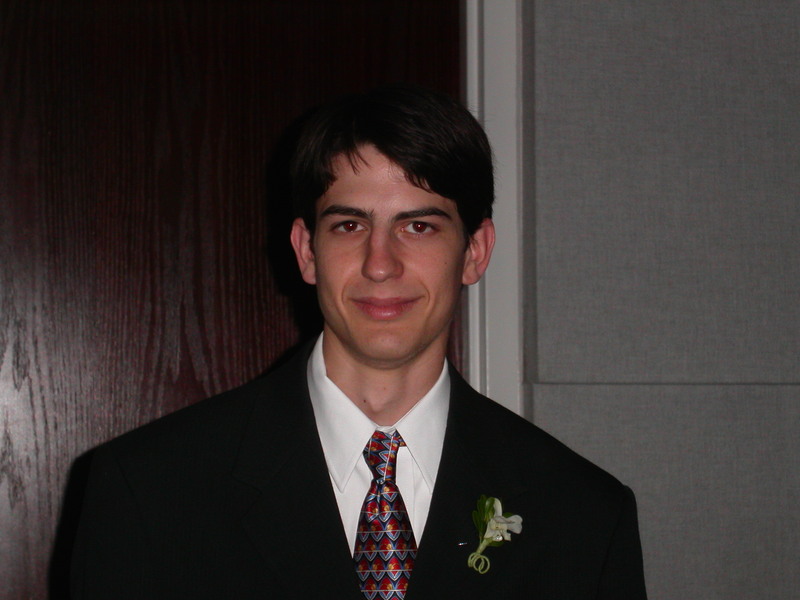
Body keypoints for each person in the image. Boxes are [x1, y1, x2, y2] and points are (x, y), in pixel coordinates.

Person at [71, 85, 647, 599]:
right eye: (350, 225)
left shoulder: (583, 515)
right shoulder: (148, 490)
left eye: (418, 226)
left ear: (475, 252)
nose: (380, 263)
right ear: (306, 251)